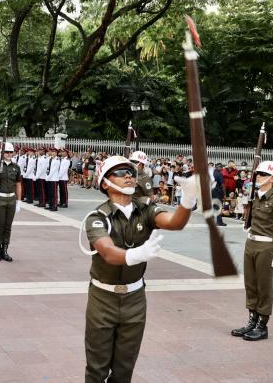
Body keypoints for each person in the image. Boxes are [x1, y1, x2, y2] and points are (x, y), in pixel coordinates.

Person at [82, 156, 197, 382]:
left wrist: (188, 199)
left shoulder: (146, 210)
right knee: (97, 368)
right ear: (105, 182)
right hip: (103, 298)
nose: (128, 176)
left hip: (135, 298)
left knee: (125, 368)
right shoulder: (97, 217)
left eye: (130, 172)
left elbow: (175, 223)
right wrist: (136, 255)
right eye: (120, 172)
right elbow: (106, 251)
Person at [231, 160, 273, 341]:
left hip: (266, 247)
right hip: (251, 243)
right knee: (250, 284)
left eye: (263, 174)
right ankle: (252, 320)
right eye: (258, 174)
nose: (259, 176)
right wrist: (248, 226)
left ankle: (262, 325)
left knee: (263, 286)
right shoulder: (255, 196)